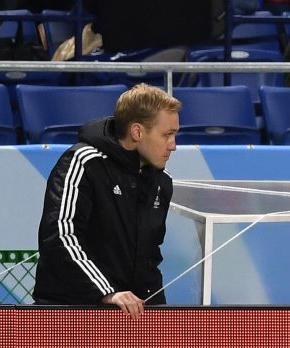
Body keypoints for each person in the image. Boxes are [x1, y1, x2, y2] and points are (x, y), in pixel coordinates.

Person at [33, 83, 180, 320]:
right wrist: (107, 292)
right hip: (70, 313)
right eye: (167, 135)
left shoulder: (161, 182)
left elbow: (148, 259)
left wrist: (156, 315)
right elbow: (61, 237)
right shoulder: (83, 162)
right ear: (137, 132)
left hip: (130, 316)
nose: (173, 145)